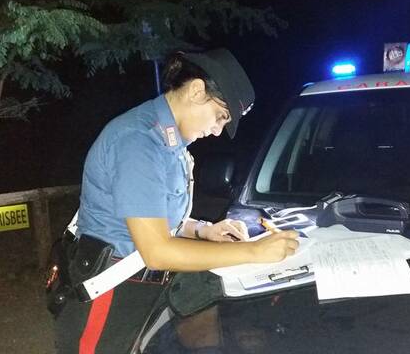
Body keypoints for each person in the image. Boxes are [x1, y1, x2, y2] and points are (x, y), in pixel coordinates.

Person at [54, 48, 300, 354]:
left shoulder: (172, 144)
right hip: (111, 291)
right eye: (220, 116)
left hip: (144, 288)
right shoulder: (139, 142)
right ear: (197, 90)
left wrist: (203, 230)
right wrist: (251, 251)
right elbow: (157, 250)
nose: (217, 130)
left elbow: (158, 218)